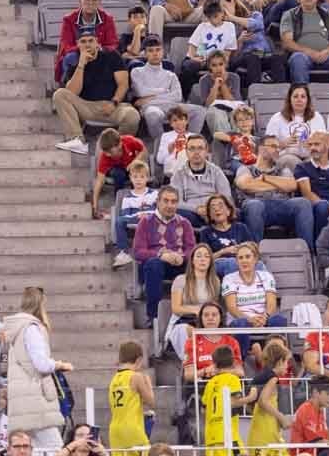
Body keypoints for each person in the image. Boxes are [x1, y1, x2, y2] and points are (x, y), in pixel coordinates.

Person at [3, 286, 74, 452]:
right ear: (40, 304)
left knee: (29, 449)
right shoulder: (32, 328)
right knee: (54, 447)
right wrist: (60, 365)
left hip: (21, 398)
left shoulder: (17, 329)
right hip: (35, 397)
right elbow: (41, 364)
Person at [53, 27, 140, 155]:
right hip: (87, 107)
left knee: (132, 116)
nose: (87, 44)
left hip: (113, 106)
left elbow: (123, 84)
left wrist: (114, 102)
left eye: (90, 40)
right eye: (83, 41)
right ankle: (77, 140)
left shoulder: (112, 56)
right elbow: (72, 93)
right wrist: (82, 64)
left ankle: (117, 148)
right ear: (77, 44)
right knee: (60, 94)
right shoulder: (74, 63)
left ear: (97, 42)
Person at [236, 134, 329, 247]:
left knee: (302, 203)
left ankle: (307, 252)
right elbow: (245, 185)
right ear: (261, 149)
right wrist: (279, 184)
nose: (278, 150)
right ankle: (254, 253)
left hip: (282, 205)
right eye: (273, 146)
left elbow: (292, 185)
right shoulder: (246, 169)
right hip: (256, 204)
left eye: (278, 147)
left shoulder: (282, 169)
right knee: (255, 205)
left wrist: (265, 178)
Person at [133, 186, 196, 328]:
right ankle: (154, 316)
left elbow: (191, 248)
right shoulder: (146, 222)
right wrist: (161, 255)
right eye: (166, 201)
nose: (170, 205)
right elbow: (138, 251)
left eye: (173, 202)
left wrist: (183, 257)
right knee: (154, 264)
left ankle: (192, 314)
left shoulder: (185, 223)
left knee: (196, 263)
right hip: (156, 263)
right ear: (158, 202)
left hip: (178, 263)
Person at [222, 241, 286, 357]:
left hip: (263, 319)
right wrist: (250, 319)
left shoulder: (266, 276)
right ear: (236, 261)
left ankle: (273, 360)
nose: (244, 261)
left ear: (255, 259)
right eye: (240, 258)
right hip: (241, 319)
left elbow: (272, 303)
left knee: (279, 320)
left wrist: (265, 317)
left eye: (248, 257)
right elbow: (231, 308)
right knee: (241, 324)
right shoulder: (229, 279)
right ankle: (241, 360)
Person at [169, 134, 232, 226]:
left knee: (235, 213)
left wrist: (211, 209)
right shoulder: (178, 175)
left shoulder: (216, 171)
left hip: (215, 212)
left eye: (200, 148)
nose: (196, 152)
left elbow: (226, 196)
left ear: (206, 151)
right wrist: (197, 209)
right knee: (177, 213)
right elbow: (176, 201)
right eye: (192, 148)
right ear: (186, 152)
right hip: (192, 214)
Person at [202, 346, 253, 454]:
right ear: (233, 362)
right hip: (227, 434)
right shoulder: (232, 379)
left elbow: (204, 410)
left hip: (211, 435)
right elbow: (233, 402)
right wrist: (250, 398)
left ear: (215, 363)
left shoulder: (210, 383)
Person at [247, 340, 293, 455]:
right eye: (287, 362)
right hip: (265, 430)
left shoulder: (261, 376)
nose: (288, 366)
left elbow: (251, 404)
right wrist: (281, 417)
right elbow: (263, 401)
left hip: (259, 426)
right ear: (280, 361)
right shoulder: (272, 378)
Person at [107, 341, 154, 453]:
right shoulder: (136, 377)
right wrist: (148, 382)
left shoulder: (114, 379)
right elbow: (151, 402)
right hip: (132, 428)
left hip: (115, 430)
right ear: (138, 360)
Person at [290, 379, 329, 455]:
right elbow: (318, 441)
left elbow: (325, 439)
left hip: (317, 451)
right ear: (316, 393)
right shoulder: (305, 410)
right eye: (327, 394)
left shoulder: (319, 411)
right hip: (304, 453)